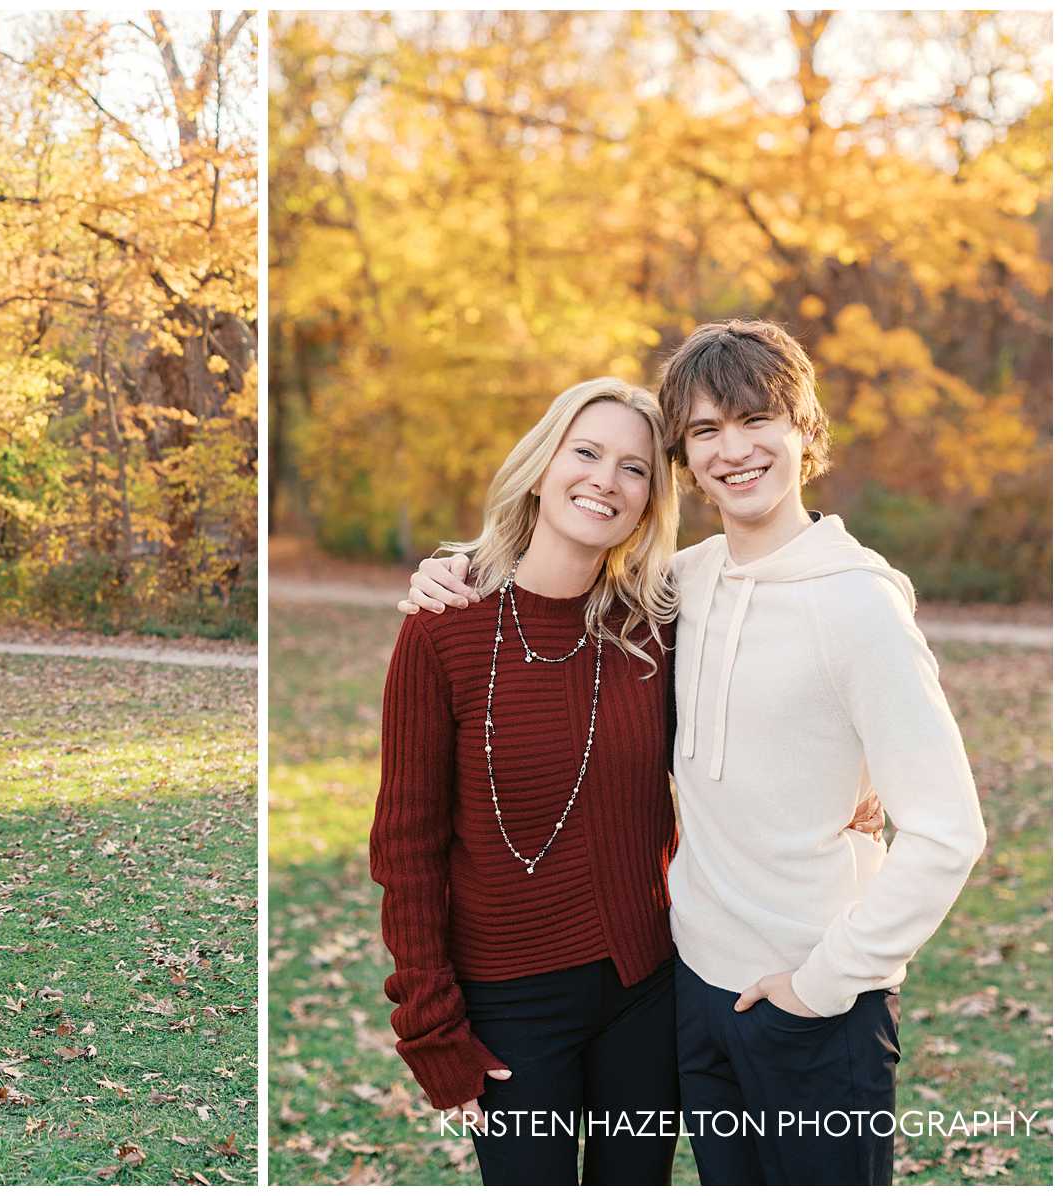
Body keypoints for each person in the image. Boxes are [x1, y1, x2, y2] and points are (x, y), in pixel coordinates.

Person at [403, 319, 985, 1184]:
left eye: (758, 421)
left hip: (812, 1001)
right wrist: (450, 569)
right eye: (707, 431)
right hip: (693, 990)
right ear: (686, 457)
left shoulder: (860, 605)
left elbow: (949, 832)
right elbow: (555, 578)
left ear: (806, 433)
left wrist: (824, 983)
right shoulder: (685, 588)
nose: (734, 450)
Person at [372, 379, 685, 1185]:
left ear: (652, 502)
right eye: (586, 453)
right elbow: (406, 847)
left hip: (646, 991)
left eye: (635, 469)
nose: (605, 481)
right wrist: (430, 1028)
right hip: (509, 1004)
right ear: (542, 467)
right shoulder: (443, 625)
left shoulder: (659, 626)